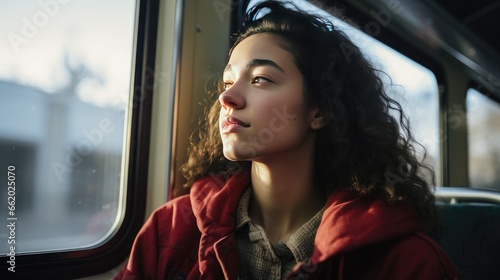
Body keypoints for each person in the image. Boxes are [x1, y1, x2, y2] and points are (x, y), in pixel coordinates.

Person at [115, 1, 462, 279]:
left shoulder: (405, 260)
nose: (228, 98)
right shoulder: (171, 229)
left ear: (320, 110)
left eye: (261, 79)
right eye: (227, 82)